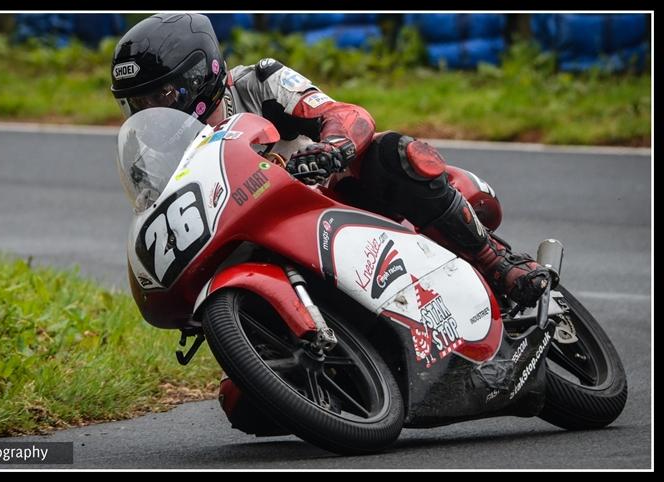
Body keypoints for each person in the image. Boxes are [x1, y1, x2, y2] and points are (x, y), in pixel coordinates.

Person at [110, 13, 554, 309]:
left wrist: (334, 148)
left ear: (198, 74)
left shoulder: (259, 82)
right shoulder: (154, 155)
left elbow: (345, 114)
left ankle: (495, 259)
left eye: (161, 96)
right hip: (259, 238)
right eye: (137, 104)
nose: (151, 113)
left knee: (393, 152)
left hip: (333, 200)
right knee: (249, 412)